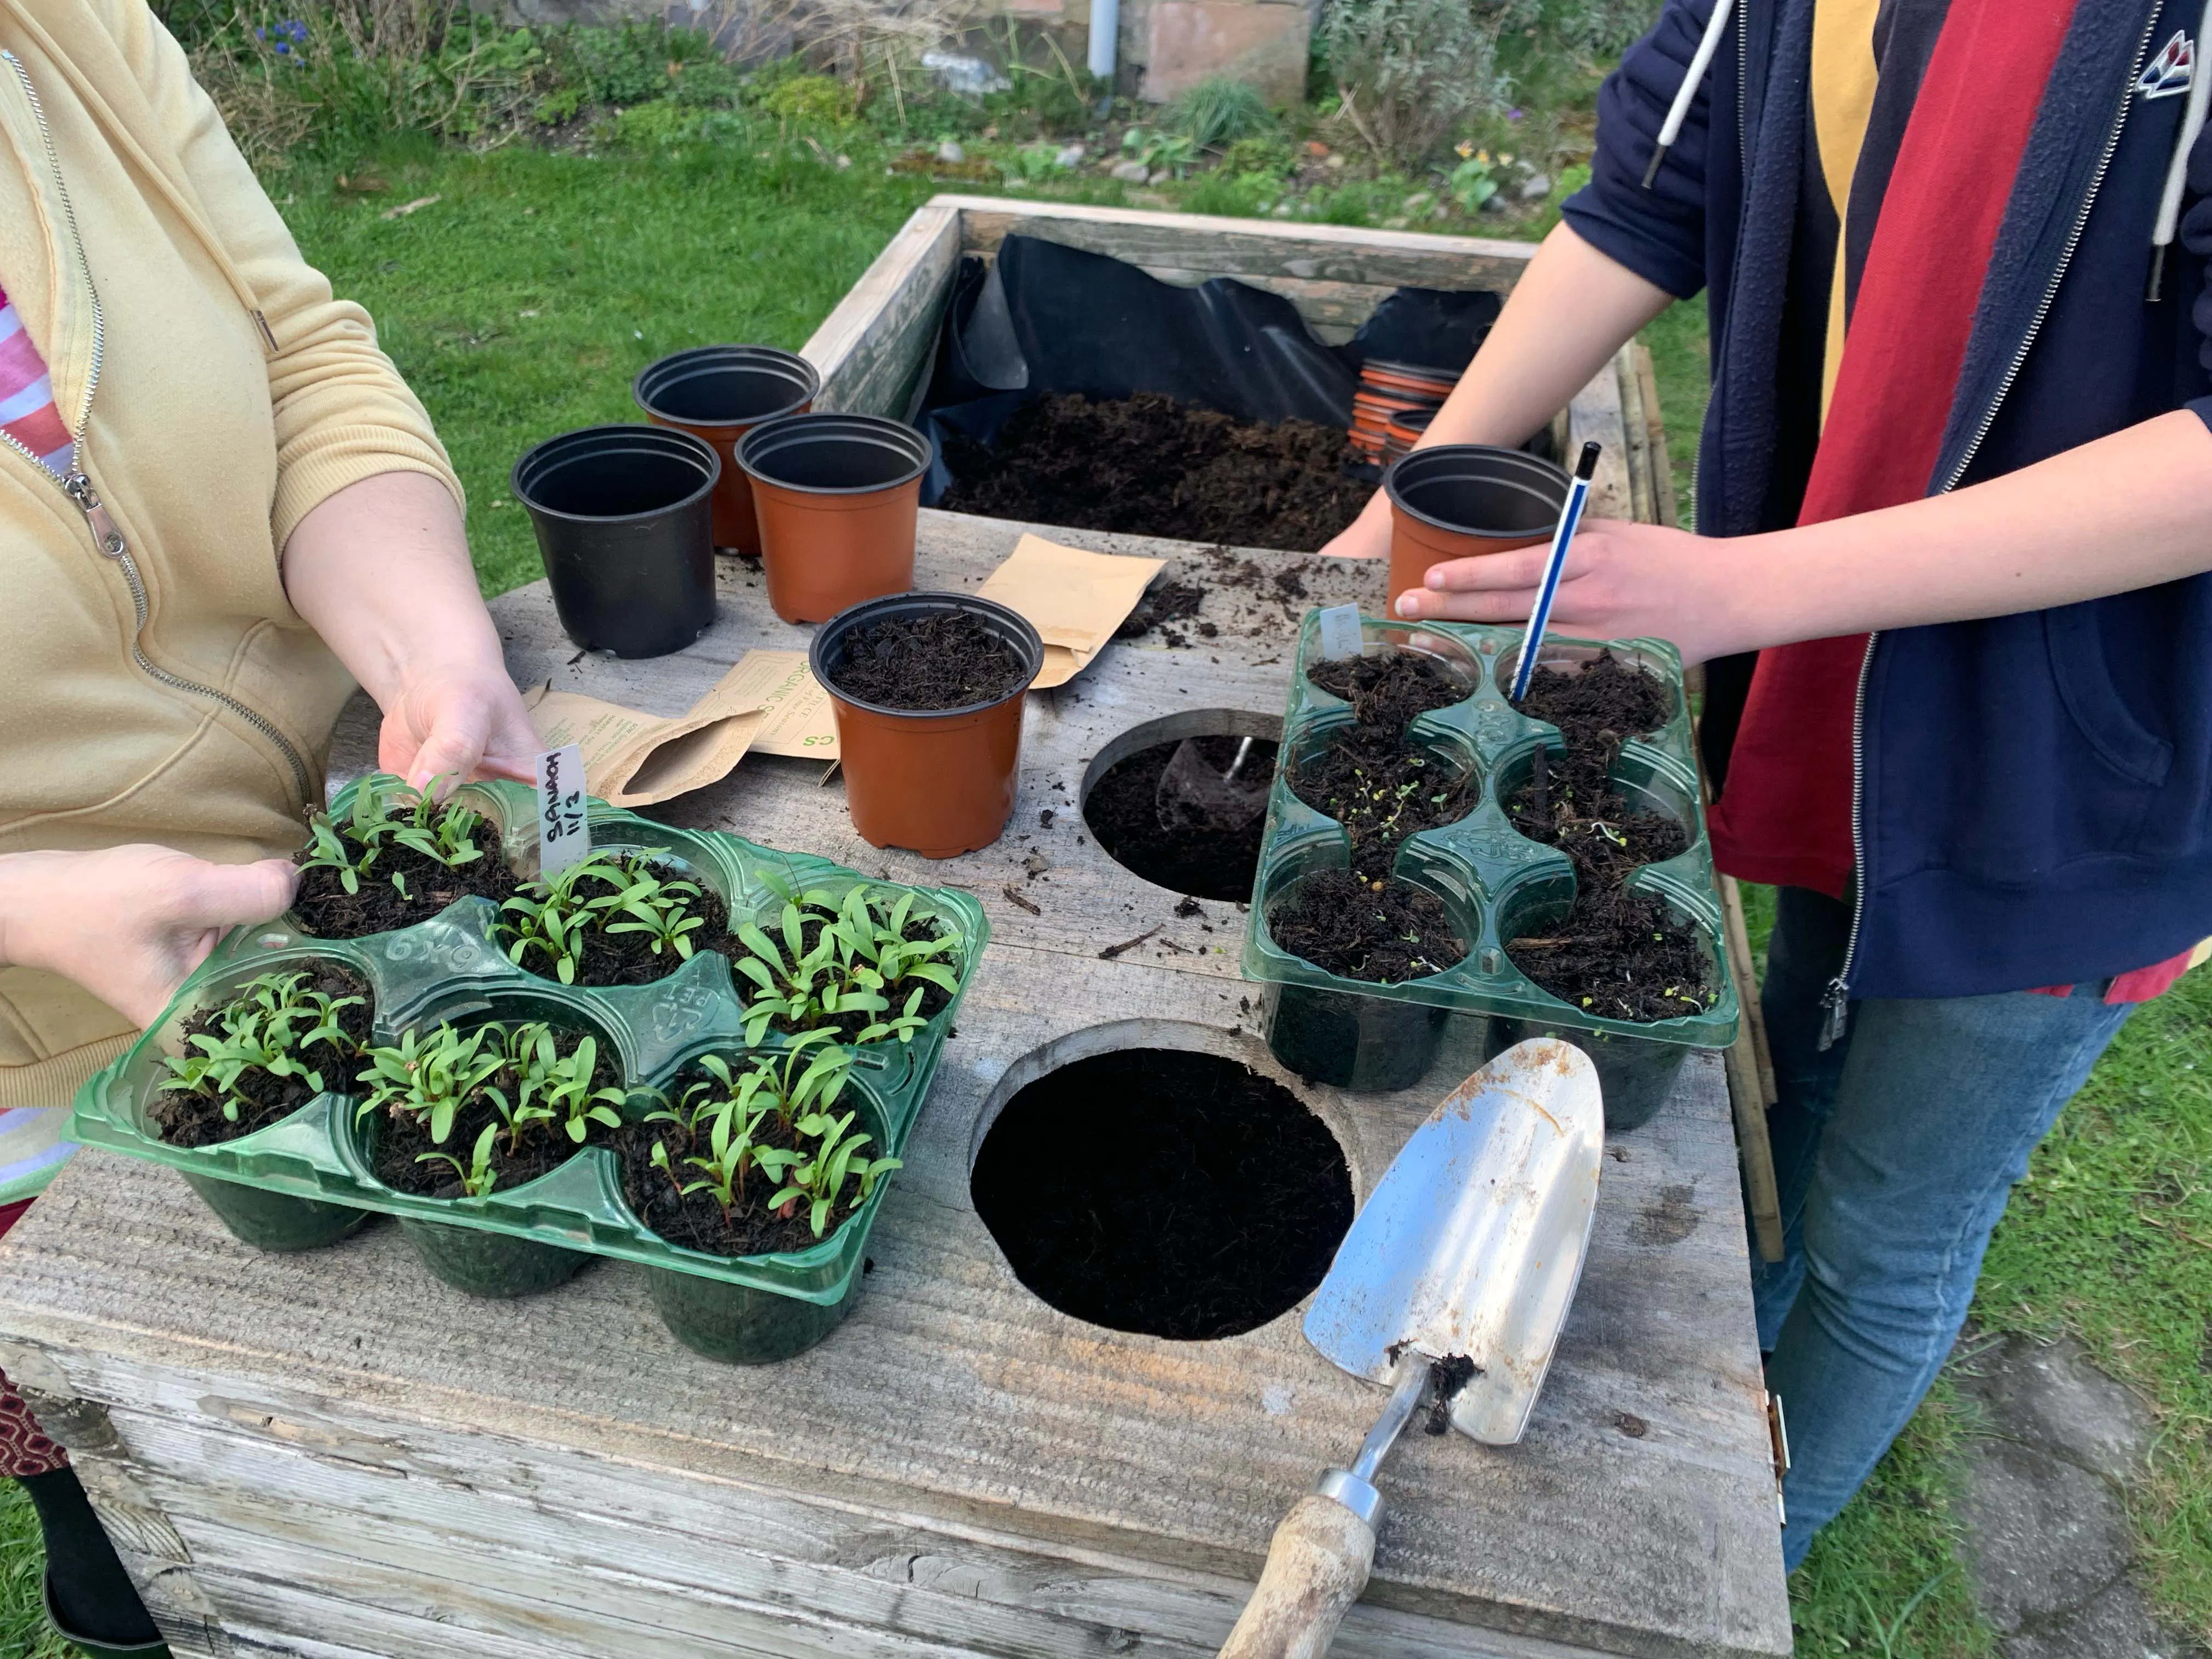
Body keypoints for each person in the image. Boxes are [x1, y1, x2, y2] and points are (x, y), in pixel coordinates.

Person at [1324, 0, 2212, 1568]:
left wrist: (1739, 588)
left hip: (2071, 776)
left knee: (1888, 1234)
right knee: (1791, 1099)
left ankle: (1748, 1563)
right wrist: (1394, 508)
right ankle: (1742, 1408)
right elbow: (1643, 206)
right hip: (1835, 689)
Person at [0, 0, 536, 1648]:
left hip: (343, 904)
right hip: (48, 1088)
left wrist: (422, 634)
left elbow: (300, 351)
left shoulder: (62, 32)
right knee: (168, 1510)